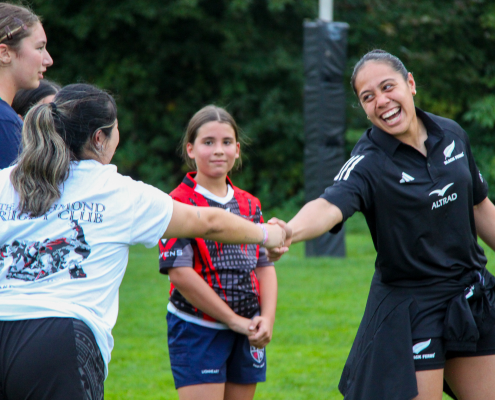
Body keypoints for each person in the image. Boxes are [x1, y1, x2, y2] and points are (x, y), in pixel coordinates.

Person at [0, 84, 288, 400]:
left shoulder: (5, 181)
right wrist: (267, 234)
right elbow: (207, 222)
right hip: (61, 341)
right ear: (100, 138)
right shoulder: (116, 192)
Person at [268, 50, 495, 400]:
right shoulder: (368, 162)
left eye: (388, 87)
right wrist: (288, 231)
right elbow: (329, 204)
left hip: (469, 295)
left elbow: (480, 208)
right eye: (368, 97)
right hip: (412, 307)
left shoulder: (451, 134)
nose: (381, 102)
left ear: (411, 84)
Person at [158, 105, 278, 400]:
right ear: (190, 149)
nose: (218, 150)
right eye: (208, 142)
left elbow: (263, 267)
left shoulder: (250, 204)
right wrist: (232, 319)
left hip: (248, 327)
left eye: (226, 142)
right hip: (197, 328)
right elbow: (181, 274)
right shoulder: (176, 204)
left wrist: (267, 318)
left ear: (237, 149)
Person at [0, 2, 53, 169]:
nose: (48, 60)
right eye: (39, 47)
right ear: (5, 53)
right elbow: (19, 194)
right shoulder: (5, 123)